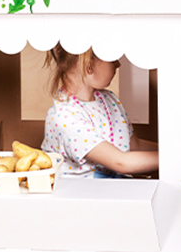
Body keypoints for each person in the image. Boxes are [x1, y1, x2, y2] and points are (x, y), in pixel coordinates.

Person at [41, 44, 158, 178]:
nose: (118, 64)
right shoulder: (64, 117)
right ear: (89, 66)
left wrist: (169, 150)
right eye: (112, 59)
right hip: (85, 190)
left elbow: (133, 146)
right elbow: (120, 162)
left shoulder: (109, 99)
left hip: (115, 186)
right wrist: (171, 159)